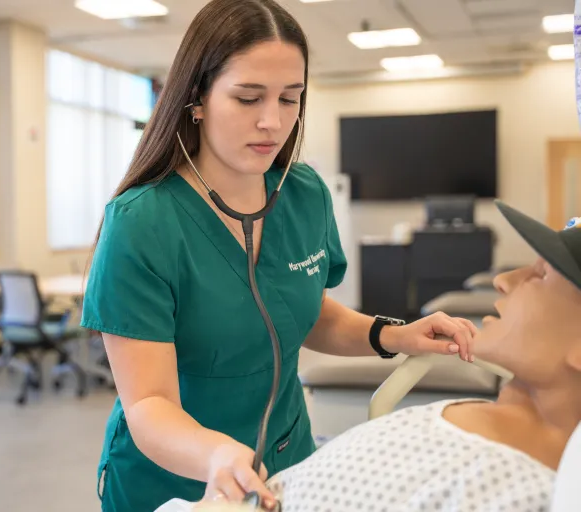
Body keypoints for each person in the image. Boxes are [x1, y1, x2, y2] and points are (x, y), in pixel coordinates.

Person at [80, 1, 476, 510]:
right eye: (248, 98)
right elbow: (148, 403)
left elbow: (300, 312)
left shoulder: (304, 193)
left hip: (288, 463)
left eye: (291, 99)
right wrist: (217, 455)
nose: (273, 121)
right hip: (181, 483)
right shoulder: (142, 223)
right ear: (196, 97)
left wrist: (393, 334)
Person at [155, 200, 581, 512]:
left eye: (541, 275)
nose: (504, 280)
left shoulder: (518, 491)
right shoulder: (477, 415)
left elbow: (303, 313)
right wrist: (393, 335)